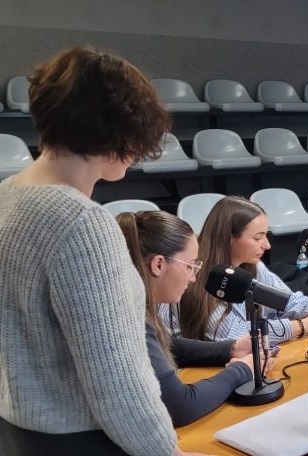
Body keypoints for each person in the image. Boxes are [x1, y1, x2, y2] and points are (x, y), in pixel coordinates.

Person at [0, 47, 191, 455]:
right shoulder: (82, 224)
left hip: (19, 433)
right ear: (122, 129)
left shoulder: (5, 197)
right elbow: (119, 383)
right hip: (86, 441)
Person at [117, 210, 273, 427]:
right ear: (158, 265)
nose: (193, 278)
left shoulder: (129, 304)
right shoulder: (129, 320)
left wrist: (231, 348)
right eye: (190, 266)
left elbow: (167, 345)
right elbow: (182, 406)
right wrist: (242, 370)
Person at [164, 196, 308, 342]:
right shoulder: (197, 276)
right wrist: (300, 326)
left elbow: (287, 301)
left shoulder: (254, 266)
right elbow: (234, 335)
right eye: (258, 238)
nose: (267, 245)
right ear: (229, 238)